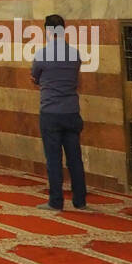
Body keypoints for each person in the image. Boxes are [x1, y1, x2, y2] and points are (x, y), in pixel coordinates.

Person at [31, 13, 88, 211]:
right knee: (75, 159)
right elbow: (76, 79)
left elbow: (35, 77)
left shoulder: (42, 55)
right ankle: (80, 201)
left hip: (50, 112)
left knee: (53, 159)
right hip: (72, 111)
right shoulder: (75, 54)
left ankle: (56, 201)